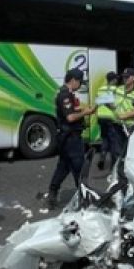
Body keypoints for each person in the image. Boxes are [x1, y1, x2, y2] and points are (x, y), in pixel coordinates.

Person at [38, 69, 94, 209]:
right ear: (73, 80)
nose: (80, 85)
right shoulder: (65, 95)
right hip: (71, 138)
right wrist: (85, 112)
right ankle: (83, 199)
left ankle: (52, 194)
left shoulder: (66, 93)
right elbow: (70, 117)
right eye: (80, 82)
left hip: (67, 137)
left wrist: (81, 111)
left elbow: (71, 113)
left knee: (63, 167)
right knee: (79, 168)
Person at [114, 68, 134, 155]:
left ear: (133, 78)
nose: (124, 79)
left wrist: (124, 116)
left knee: (129, 151)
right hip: (117, 125)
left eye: (127, 77)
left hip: (130, 127)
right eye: (124, 77)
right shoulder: (118, 89)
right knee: (117, 152)